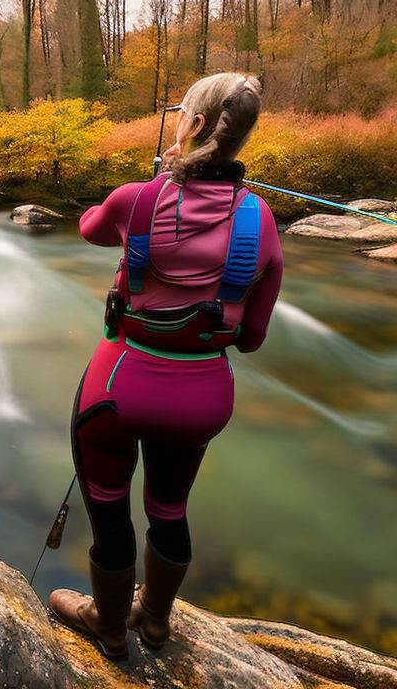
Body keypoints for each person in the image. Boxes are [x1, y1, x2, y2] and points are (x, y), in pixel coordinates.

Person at [48, 73, 284, 660]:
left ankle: (107, 625)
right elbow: (251, 339)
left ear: (196, 126)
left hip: (118, 387)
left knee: (109, 508)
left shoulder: (138, 199)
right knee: (169, 509)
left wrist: (154, 183)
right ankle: (154, 621)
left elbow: (89, 229)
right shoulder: (261, 220)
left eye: (182, 113)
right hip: (202, 397)